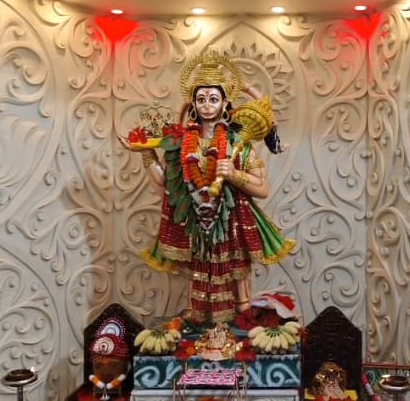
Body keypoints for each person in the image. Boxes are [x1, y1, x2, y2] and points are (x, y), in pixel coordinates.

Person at [120, 50, 295, 324]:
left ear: (225, 103)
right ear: (193, 103)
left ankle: (244, 314)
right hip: (194, 217)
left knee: (237, 269)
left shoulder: (237, 142)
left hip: (231, 218)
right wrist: (145, 153)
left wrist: (234, 174)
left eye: (213, 99)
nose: (206, 105)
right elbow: (164, 184)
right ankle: (196, 316)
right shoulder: (180, 143)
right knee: (196, 266)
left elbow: (262, 189)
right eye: (200, 99)